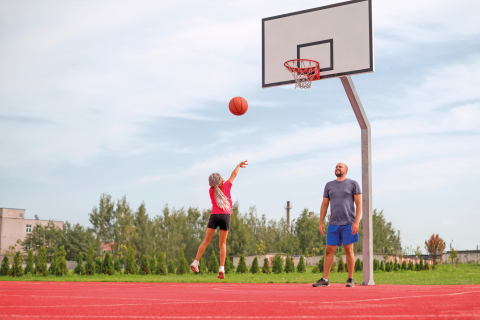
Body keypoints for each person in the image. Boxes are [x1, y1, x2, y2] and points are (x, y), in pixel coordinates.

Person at [190, 160, 248, 279]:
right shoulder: (226, 185)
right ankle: (221, 269)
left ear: (211, 184)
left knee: (206, 241)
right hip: (225, 217)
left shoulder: (211, 191)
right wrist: (238, 166)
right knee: (222, 244)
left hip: (214, 216)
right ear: (221, 180)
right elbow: (234, 175)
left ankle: (195, 262)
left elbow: (218, 185)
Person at [313, 163, 361, 288]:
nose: (337, 168)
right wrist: (321, 221)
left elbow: (359, 204)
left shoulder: (353, 184)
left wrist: (356, 222)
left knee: (348, 249)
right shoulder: (329, 185)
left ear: (346, 170)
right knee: (329, 250)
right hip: (333, 223)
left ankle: (350, 279)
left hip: (348, 223)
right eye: (336, 167)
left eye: (340, 167)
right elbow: (324, 204)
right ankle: (325, 279)